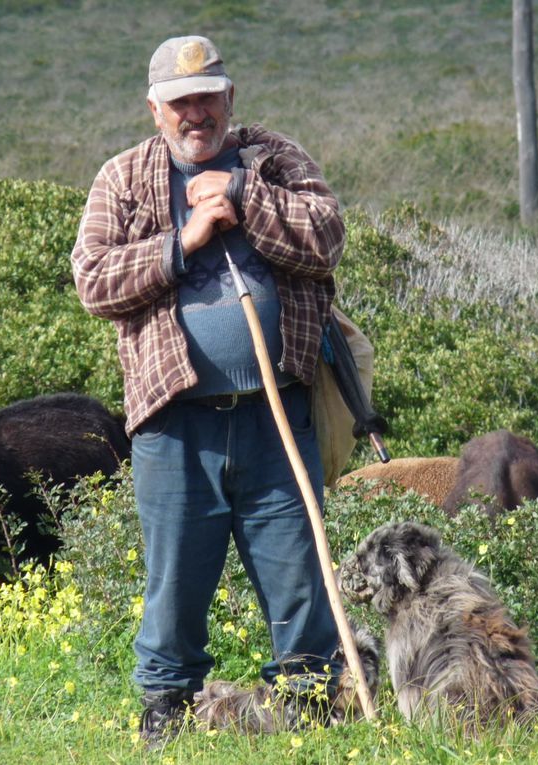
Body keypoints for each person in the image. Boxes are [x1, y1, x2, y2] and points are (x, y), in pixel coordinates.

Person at [70, 35, 345, 743]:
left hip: (277, 415)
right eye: (180, 103)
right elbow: (94, 280)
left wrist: (245, 198)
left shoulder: (274, 160)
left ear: (230, 99)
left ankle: (311, 710)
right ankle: (166, 715)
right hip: (174, 424)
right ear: (156, 110)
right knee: (174, 584)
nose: (197, 114)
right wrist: (183, 241)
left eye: (208, 99)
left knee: (300, 577)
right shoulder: (124, 177)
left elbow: (326, 237)